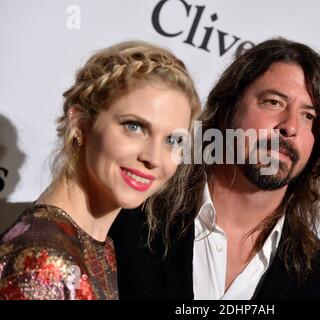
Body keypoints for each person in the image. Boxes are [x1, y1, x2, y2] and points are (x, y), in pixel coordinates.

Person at [110, 38, 320, 300]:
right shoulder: (132, 211)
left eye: (309, 116)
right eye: (273, 102)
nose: (290, 127)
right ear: (227, 109)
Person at [0, 40, 200, 300]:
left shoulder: (93, 245)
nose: (154, 158)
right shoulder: (44, 263)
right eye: (134, 127)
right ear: (81, 122)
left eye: (172, 140)